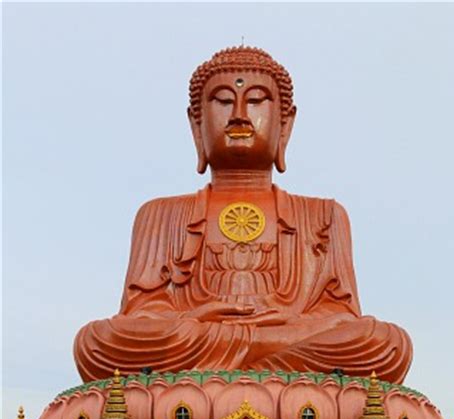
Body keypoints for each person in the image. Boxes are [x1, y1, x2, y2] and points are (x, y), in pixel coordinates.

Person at [74, 46, 412, 384]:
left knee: (383, 341)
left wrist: (292, 325)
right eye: (222, 101)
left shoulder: (324, 215)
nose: (238, 115)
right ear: (196, 124)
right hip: (208, 342)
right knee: (97, 340)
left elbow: (339, 315)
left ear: (286, 123)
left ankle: (222, 378)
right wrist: (194, 320)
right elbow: (142, 313)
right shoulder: (160, 214)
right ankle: (271, 378)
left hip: (270, 344)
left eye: (256, 101)